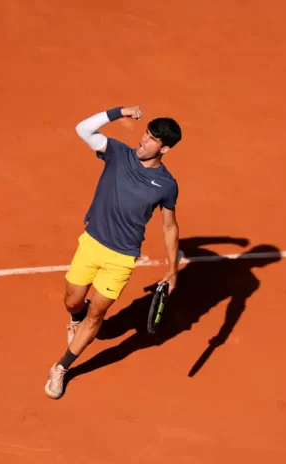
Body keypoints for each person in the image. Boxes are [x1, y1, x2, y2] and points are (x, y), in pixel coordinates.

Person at [44, 105, 182, 399]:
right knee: (73, 301)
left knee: (98, 313)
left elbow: (169, 227)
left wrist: (172, 270)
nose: (143, 140)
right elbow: (83, 129)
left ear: (165, 149)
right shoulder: (118, 153)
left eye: (153, 139)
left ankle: (62, 367)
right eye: (146, 133)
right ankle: (75, 319)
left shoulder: (167, 185)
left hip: (122, 257)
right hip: (92, 243)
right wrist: (119, 112)